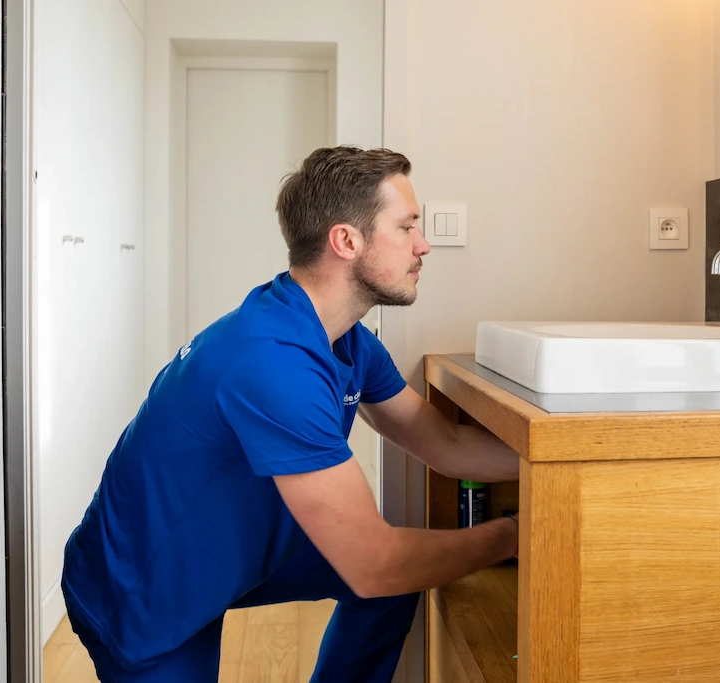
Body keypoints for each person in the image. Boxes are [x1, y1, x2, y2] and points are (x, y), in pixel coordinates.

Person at [61, 146, 520, 682]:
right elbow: (373, 564)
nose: (423, 244)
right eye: (406, 227)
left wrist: (554, 469)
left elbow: (446, 444)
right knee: (383, 569)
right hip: (144, 588)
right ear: (347, 241)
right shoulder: (273, 363)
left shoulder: (344, 340)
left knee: (394, 583)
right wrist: (509, 536)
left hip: (238, 548)